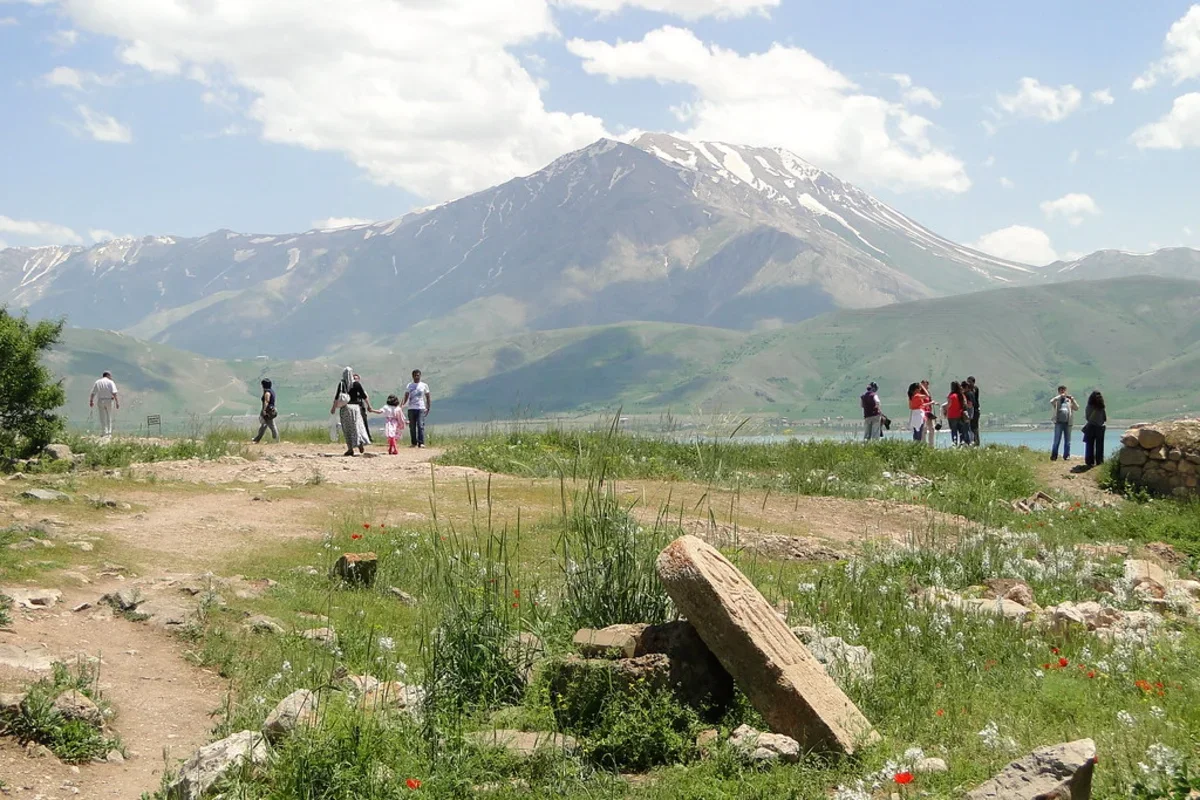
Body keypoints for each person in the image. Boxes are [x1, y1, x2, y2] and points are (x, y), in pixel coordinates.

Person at [330, 367, 368, 456]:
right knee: (357, 427)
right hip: (355, 408)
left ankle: (350, 449)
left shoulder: (342, 384)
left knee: (347, 429)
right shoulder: (356, 384)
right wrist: (369, 406)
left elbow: (337, 397)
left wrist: (333, 408)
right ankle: (359, 442)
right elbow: (364, 396)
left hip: (345, 408)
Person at [403, 369, 431, 448]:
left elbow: (428, 397)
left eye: (418, 375)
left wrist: (428, 407)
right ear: (412, 376)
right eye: (415, 375)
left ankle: (421, 442)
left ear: (420, 376)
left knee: (420, 425)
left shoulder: (424, 385)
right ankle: (413, 443)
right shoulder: (409, 385)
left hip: (420, 408)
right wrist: (402, 405)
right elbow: (406, 396)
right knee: (412, 426)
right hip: (411, 408)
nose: (416, 377)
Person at [1050, 385, 1079, 461]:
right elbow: (1051, 401)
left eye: (1064, 390)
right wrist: (1059, 396)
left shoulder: (1069, 400)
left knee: (1068, 441)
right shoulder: (1057, 400)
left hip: (1068, 423)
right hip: (1058, 423)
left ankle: (1066, 456)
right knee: (1056, 440)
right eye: (1061, 390)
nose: (1063, 392)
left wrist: (1073, 400)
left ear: (1066, 391)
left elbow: (1076, 408)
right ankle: (1054, 456)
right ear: (1059, 392)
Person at [89, 371, 119, 437]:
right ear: (108, 375)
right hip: (109, 400)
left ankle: (104, 432)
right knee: (109, 416)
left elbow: (93, 392)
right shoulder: (110, 382)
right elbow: (114, 392)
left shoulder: (98, 382)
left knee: (102, 417)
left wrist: (91, 401)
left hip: (100, 400)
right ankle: (109, 433)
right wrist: (117, 402)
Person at [1083, 390, 1107, 468]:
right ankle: (1099, 461)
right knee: (1100, 445)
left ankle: (1089, 461)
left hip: (1090, 427)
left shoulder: (1089, 406)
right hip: (1100, 427)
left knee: (1089, 445)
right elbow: (1104, 418)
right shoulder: (1102, 407)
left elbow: (1087, 417)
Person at [251, 379, 278, 443]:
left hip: (268, 411)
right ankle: (257, 439)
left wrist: (264, 410)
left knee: (271, 425)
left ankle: (276, 439)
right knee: (264, 425)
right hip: (271, 410)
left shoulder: (267, 393)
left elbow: (266, 401)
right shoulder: (271, 391)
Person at [349, 372, 373, 444]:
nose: (355, 379)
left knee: (364, 422)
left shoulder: (360, 388)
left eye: (356, 378)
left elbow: (365, 397)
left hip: (360, 406)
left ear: (359, 379)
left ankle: (368, 437)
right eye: (354, 378)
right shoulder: (350, 388)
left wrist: (368, 405)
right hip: (353, 407)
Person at [945, 381, 967, 446]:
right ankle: (962, 444)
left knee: (954, 431)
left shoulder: (951, 396)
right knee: (961, 431)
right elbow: (965, 403)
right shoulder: (961, 395)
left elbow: (949, 405)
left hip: (952, 416)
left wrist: (945, 410)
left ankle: (954, 444)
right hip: (960, 415)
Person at [920, 380, 937, 447]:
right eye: (925, 385)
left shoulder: (928, 393)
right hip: (923, 413)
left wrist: (933, 403)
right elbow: (921, 404)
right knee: (924, 429)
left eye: (927, 385)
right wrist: (930, 403)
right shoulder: (920, 394)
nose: (927, 386)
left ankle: (931, 445)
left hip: (929, 413)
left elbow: (930, 401)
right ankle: (924, 444)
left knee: (932, 429)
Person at [966, 376, 981, 446]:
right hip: (971, 410)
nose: (968, 383)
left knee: (974, 427)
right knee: (970, 427)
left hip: (975, 410)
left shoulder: (974, 389)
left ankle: (976, 442)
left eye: (970, 382)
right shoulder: (969, 390)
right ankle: (972, 441)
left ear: (973, 382)